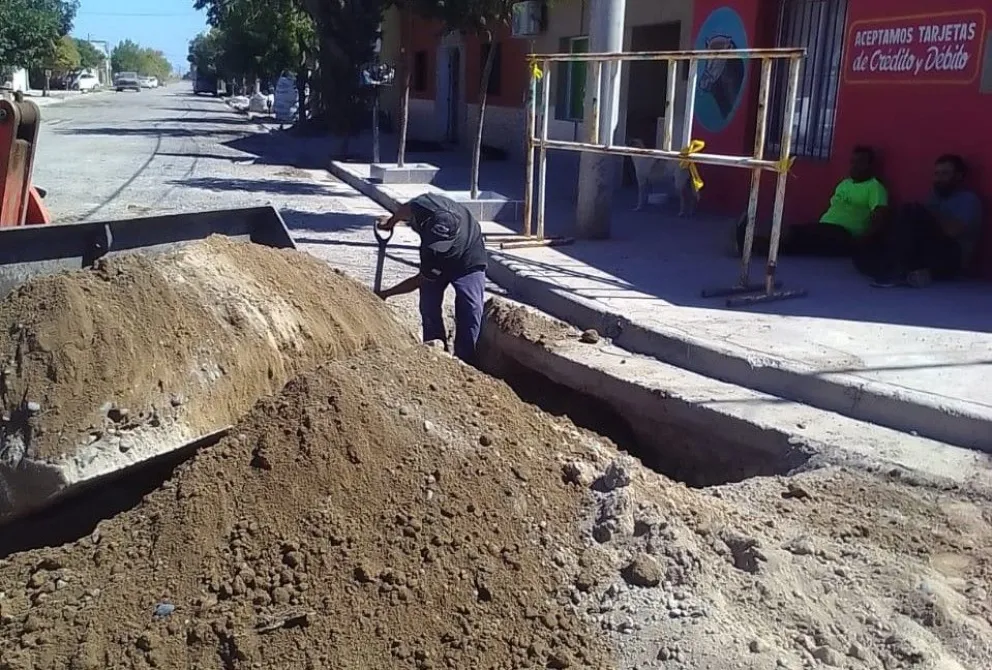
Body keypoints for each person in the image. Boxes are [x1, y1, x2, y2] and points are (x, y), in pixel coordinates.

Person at [376, 193, 488, 364]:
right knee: (429, 303)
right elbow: (407, 208)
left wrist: (387, 293)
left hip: (468, 260)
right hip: (435, 260)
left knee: (471, 307)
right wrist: (390, 223)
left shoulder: (452, 248)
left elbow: (418, 280)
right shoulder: (426, 206)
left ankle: (465, 360)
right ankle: (434, 353)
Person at [736, 145, 888, 258]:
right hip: (826, 228)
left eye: (859, 163)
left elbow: (879, 218)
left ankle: (751, 243)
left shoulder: (875, 187)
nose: (854, 166)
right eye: (852, 162)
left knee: (796, 235)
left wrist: (862, 245)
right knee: (798, 242)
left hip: (845, 234)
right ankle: (752, 245)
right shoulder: (845, 184)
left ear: (869, 166)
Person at [861, 154, 983, 288]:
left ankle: (898, 271)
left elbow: (952, 232)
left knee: (913, 210)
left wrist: (926, 213)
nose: (939, 178)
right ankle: (910, 272)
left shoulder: (969, 199)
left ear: (958, 176)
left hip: (952, 257)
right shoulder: (934, 196)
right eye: (937, 174)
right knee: (863, 255)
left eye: (945, 173)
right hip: (927, 252)